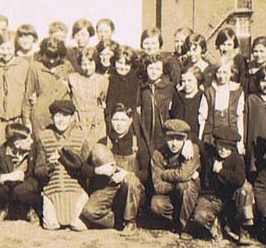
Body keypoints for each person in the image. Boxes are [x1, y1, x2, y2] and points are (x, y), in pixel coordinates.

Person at [81, 104, 148, 235]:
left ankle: (130, 222)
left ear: (130, 121)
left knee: (131, 181)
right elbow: (84, 169)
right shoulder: (103, 142)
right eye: (116, 120)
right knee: (88, 212)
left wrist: (128, 174)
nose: (119, 124)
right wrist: (99, 170)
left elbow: (147, 173)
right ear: (110, 121)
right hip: (109, 188)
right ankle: (116, 221)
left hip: (131, 190)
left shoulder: (137, 143)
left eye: (123, 120)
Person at [34, 100, 92, 231]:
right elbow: (38, 171)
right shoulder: (44, 137)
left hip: (76, 192)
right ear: (52, 118)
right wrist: (50, 165)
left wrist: (74, 163)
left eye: (65, 116)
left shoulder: (80, 137)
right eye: (57, 116)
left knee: (78, 226)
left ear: (72, 118)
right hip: (52, 192)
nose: (61, 120)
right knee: (51, 226)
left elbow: (87, 170)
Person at [189, 127, 247, 243]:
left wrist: (221, 171)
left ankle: (243, 230)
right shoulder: (210, 153)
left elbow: (240, 180)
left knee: (245, 190)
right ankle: (214, 223)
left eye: (227, 147)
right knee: (199, 216)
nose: (223, 150)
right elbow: (193, 136)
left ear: (232, 147)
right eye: (220, 145)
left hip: (228, 201)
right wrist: (187, 143)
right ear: (215, 144)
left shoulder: (237, 160)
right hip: (209, 198)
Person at [150, 119, 200, 239]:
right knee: (156, 204)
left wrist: (164, 174)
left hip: (189, 196)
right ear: (165, 138)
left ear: (185, 139)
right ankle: (175, 221)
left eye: (179, 139)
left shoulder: (191, 150)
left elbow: (184, 175)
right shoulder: (158, 154)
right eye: (171, 138)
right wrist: (175, 185)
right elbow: (157, 186)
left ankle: (185, 227)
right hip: (170, 195)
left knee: (186, 186)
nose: (174, 143)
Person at [0, 123, 40, 223]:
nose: (32, 141)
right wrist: (8, 177)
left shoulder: (33, 149)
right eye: (28, 140)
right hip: (9, 186)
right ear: (17, 144)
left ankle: (29, 209)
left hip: (26, 184)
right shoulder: (1, 152)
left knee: (22, 191)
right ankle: (3, 208)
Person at [22, 36, 73, 138]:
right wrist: (26, 120)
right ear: (42, 53)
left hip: (62, 119)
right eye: (48, 56)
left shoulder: (67, 67)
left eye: (55, 57)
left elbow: (74, 92)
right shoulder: (35, 68)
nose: (51, 61)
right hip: (41, 117)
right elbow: (28, 95)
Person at [0, 30, 30, 147]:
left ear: (15, 48)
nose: (6, 52)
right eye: (3, 48)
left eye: (9, 49)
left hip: (16, 117)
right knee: (1, 149)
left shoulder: (24, 65)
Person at [201, 58, 244, 154]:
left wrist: (240, 142)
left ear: (231, 73)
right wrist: (201, 140)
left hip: (230, 136)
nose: (221, 76)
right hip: (211, 137)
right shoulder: (209, 91)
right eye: (219, 72)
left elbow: (239, 117)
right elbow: (202, 118)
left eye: (225, 72)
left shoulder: (237, 91)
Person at [68, 47, 109, 146]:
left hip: (95, 122)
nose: (87, 68)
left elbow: (103, 99)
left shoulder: (103, 80)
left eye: (91, 64)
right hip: (78, 120)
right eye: (84, 64)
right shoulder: (73, 78)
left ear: (96, 63)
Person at [138, 53, 176, 157]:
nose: (154, 72)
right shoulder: (142, 87)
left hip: (164, 132)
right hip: (146, 133)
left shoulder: (170, 87)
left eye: (157, 68)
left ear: (162, 70)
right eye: (150, 68)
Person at [170, 66, 208, 141]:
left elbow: (203, 120)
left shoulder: (202, 97)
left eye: (190, 80)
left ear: (197, 80)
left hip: (194, 136)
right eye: (183, 81)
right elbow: (173, 115)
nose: (186, 84)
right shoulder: (177, 96)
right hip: (178, 136)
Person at [105, 46, 140, 124]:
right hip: (112, 121)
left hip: (131, 123)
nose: (123, 67)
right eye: (120, 63)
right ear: (114, 62)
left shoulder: (136, 82)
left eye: (127, 64)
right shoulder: (109, 80)